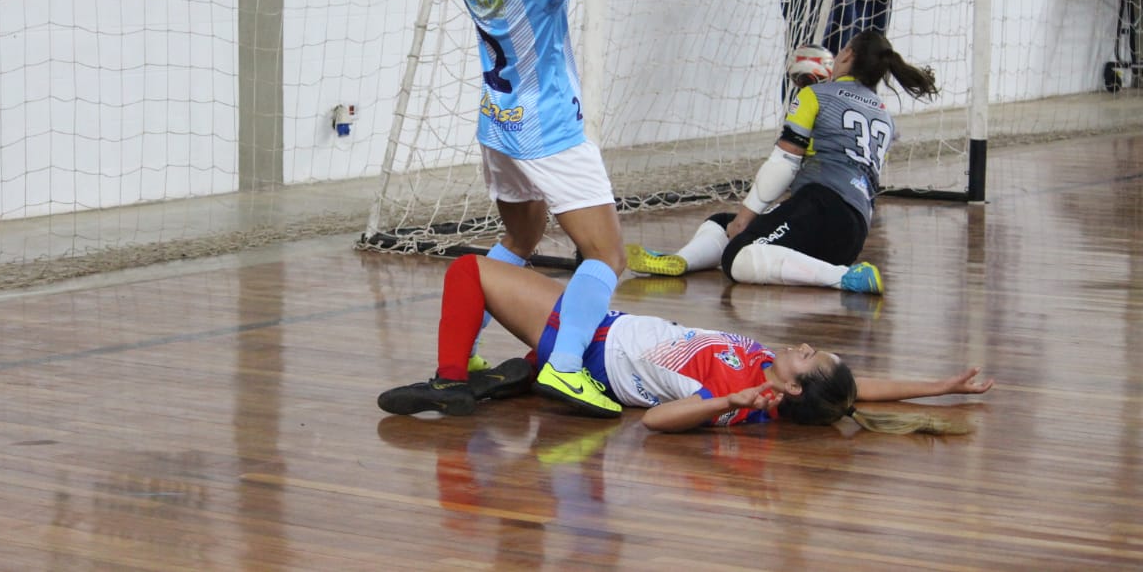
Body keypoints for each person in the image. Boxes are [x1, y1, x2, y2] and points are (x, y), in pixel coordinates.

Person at [375, 0, 666, 419]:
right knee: (607, 257)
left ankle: (463, 361)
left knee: (519, 243)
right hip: (551, 131)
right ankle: (566, 367)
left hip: (499, 127)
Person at [376, 254, 993, 432]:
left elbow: (655, 424)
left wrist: (724, 405)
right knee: (515, 258)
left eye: (810, 357)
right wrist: (942, 386)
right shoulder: (767, 370)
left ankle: (454, 378)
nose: (805, 344)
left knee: (469, 272)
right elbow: (858, 394)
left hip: (588, 347)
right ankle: (517, 370)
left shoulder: (738, 396)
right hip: (601, 327)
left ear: (792, 387)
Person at [625, 29, 938, 293]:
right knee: (722, 223)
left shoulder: (817, 95)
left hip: (820, 205)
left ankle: (844, 278)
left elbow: (785, 162)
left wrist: (746, 216)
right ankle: (681, 261)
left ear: (846, 57)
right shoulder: (884, 114)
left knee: (737, 253)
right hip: (854, 227)